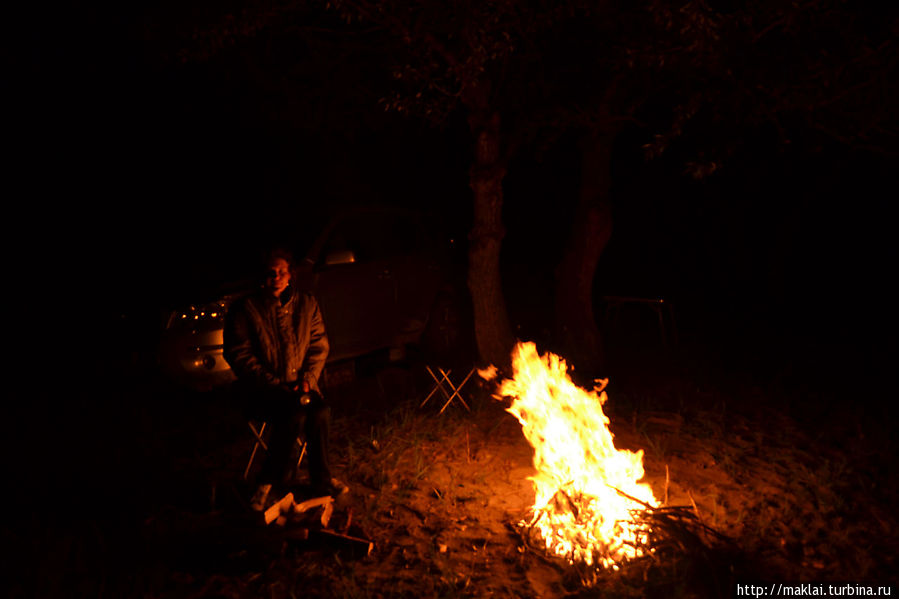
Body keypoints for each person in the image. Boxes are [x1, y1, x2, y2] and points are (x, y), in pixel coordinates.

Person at [223, 248, 347, 509]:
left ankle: (321, 480)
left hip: (300, 387)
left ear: (290, 275)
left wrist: (308, 379)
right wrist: (274, 384)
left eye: (281, 272)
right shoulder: (245, 310)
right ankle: (267, 483)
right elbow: (239, 355)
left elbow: (318, 345)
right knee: (293, 415)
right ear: (263, 276)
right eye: (271, 272)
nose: (276, 277)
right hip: (263, 391)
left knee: (320, 412)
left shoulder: (306, 304)